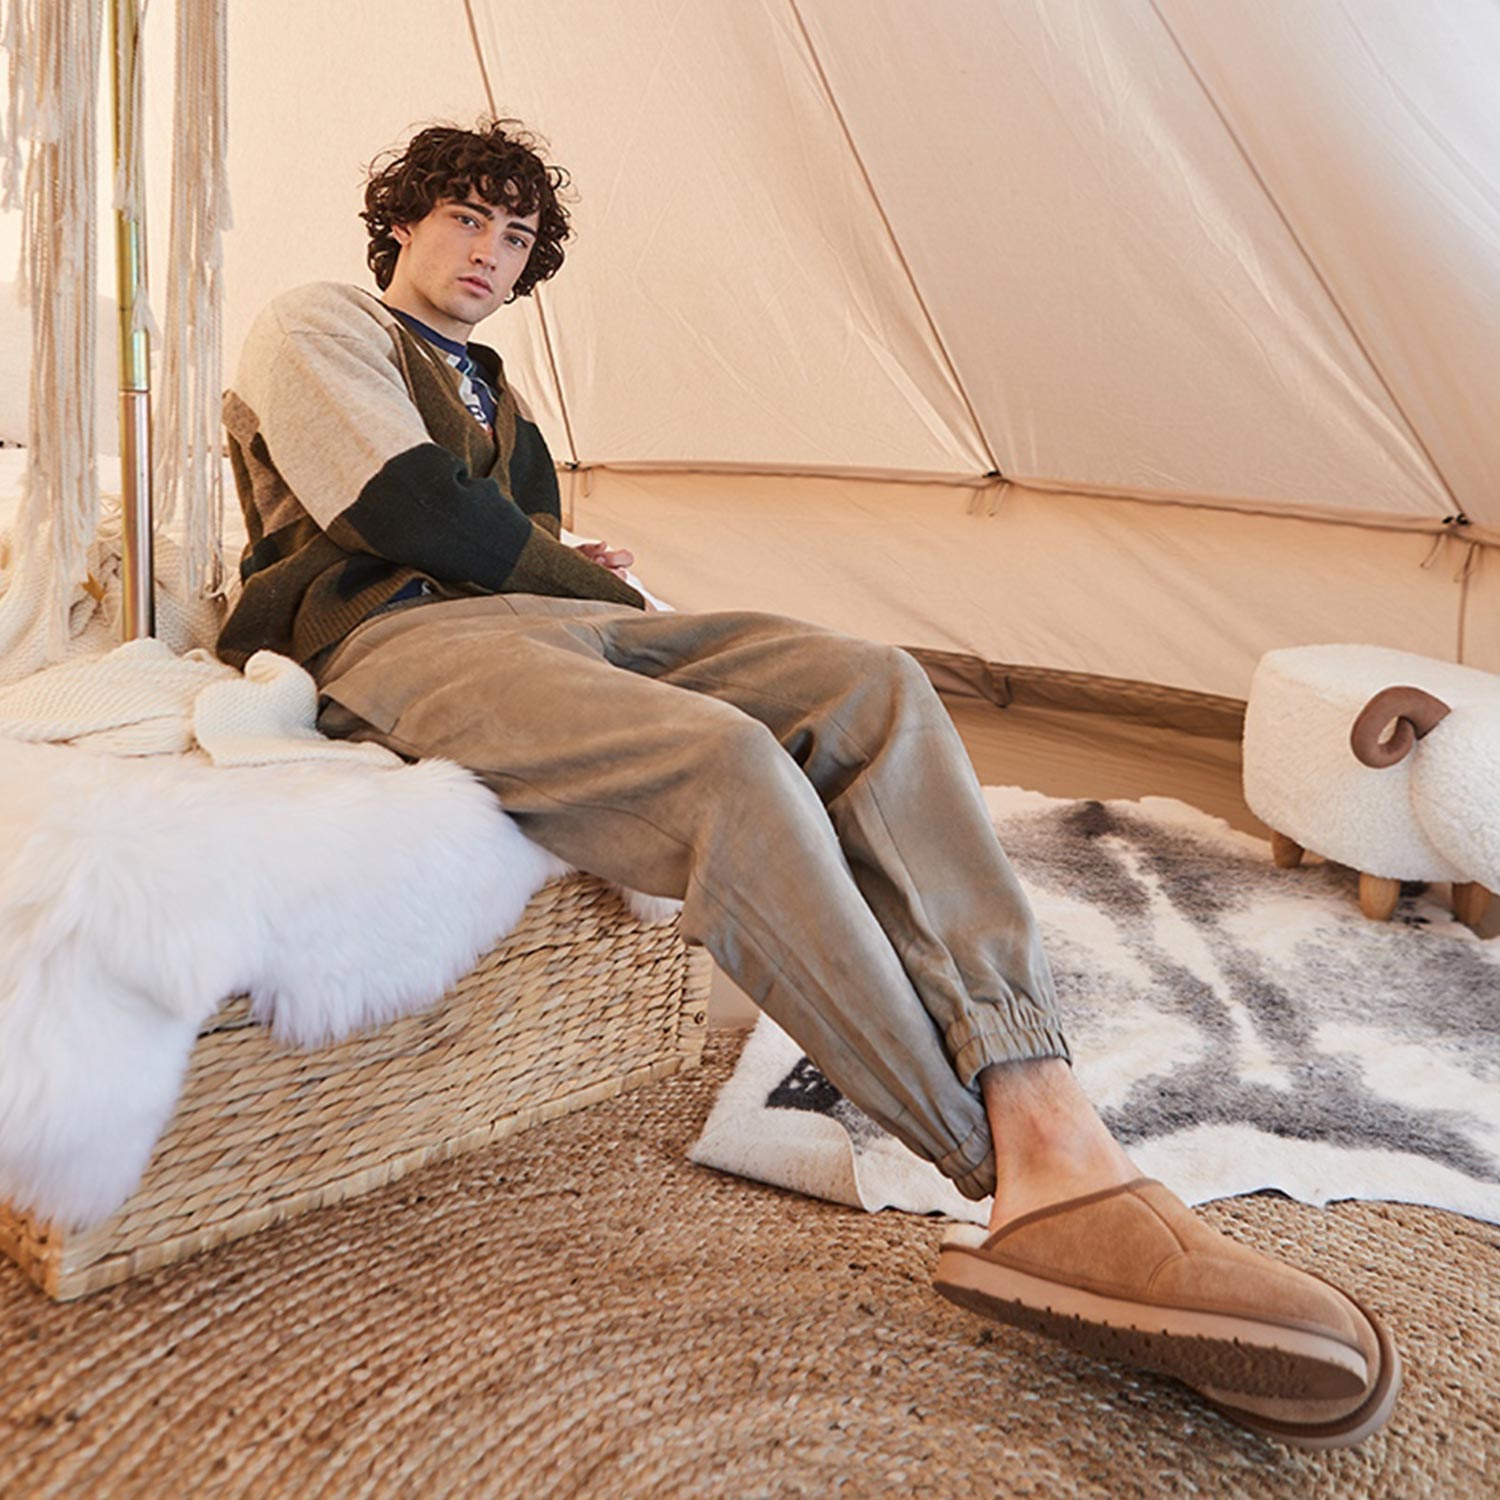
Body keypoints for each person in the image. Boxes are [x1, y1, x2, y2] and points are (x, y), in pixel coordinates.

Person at [217, 119, 1398, 1449]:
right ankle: (1025, 1180)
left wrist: (573, 560)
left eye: (518, 235)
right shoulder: (315, 320)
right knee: (725, 764)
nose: (491, 251)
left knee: (873, 683)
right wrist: (580, 577)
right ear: (403, 224)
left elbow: (515, 537)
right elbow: (409, 516)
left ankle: (1044, 1101)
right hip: (398, 637)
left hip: (550, 622)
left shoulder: (503, 387)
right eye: (466, 219)